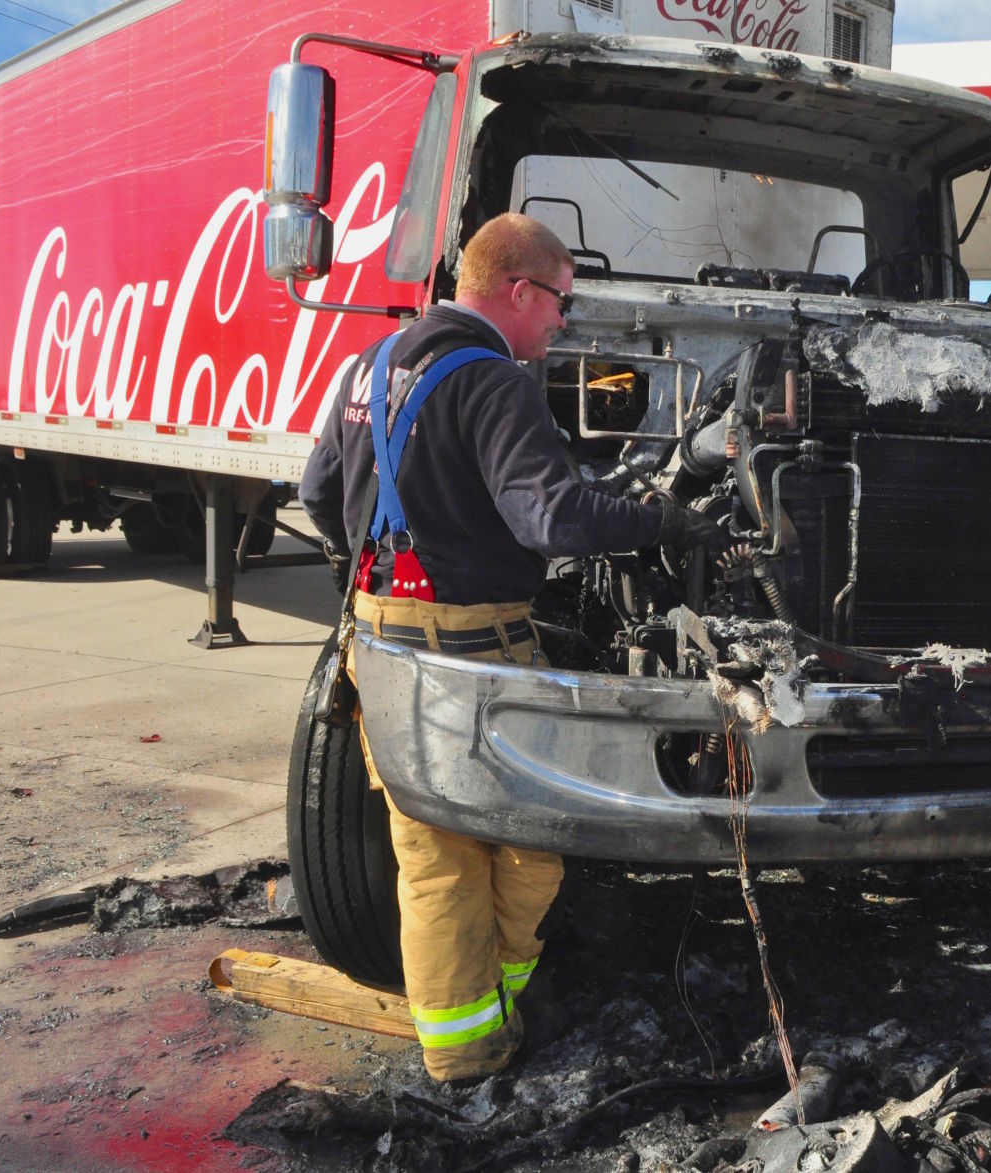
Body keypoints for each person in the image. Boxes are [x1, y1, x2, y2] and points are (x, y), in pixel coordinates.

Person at [300, 213, 720, 1083]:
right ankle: (470, 1052)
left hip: (380, 642)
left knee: (437, 848)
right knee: (502, 847)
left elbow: (315, 491)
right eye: (561, 301)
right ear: (520, 290)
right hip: (476, 654)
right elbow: (551, 518)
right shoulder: (496, 382)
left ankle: (488, 1010)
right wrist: (662, 521)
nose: (565, 321)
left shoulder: (366, 367)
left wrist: (378, 563)